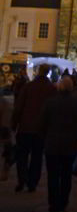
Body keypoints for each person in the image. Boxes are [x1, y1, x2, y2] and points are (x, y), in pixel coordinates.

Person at [39, 75, 77, 212]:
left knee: (53, 176)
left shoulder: (50, 103)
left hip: (52, 144)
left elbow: (42, 123)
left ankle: (53, 205)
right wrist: (76, 136)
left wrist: (46, 137)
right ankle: (63, 202)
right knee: (66, 175)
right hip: (69, 145)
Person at [12, 64, 55, 192]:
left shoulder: (28, 87)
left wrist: (14, 124)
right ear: (48, 73)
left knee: (22, 156)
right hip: (42, 129)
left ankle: (22, 180)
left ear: (37, 72)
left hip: (25, 127)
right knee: (37, 157)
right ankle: (32, 182)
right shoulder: (52, 89)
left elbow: (19, 107)